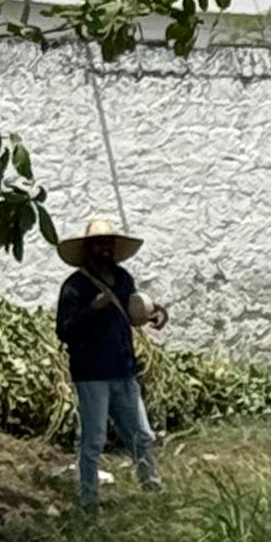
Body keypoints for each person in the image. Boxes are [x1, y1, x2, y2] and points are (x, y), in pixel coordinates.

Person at [53, 216, 172, 508]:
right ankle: (89, 499)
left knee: (142, 435)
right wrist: (92, 310)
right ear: (87, 250)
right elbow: (64, 331)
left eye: (107, 245)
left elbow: (134, 313)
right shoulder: (75, 287)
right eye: (98, 245)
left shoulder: (123, 279)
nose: (104, 250)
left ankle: (151, 487)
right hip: (91, 374)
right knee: (94, 440)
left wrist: (156, 314)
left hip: (123, 368)